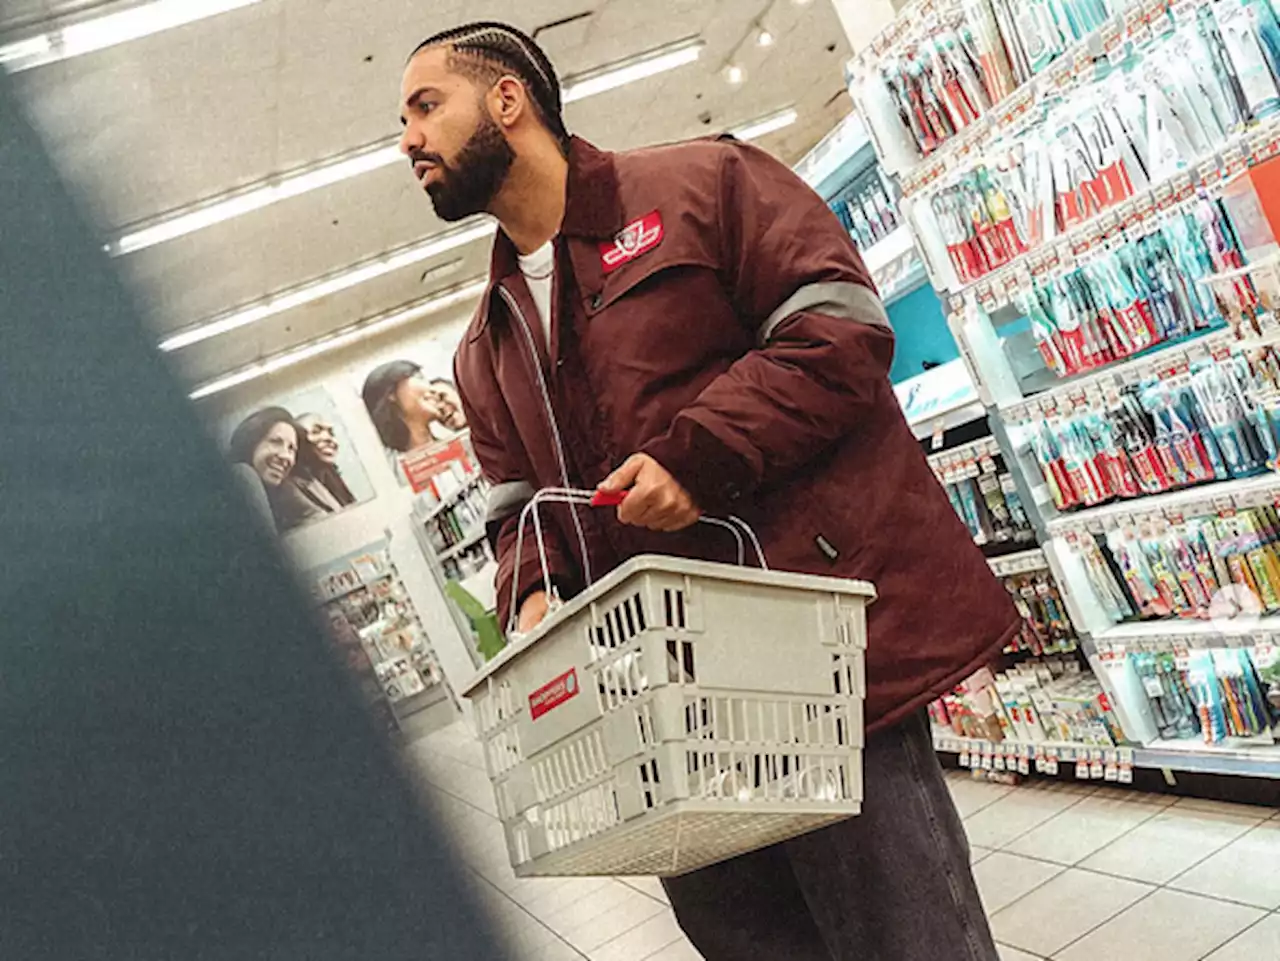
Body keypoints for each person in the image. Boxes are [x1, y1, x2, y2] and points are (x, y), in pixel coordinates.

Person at [397, 21, 1019, 961]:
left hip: (811, 659)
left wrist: (699, 458)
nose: (407, 140)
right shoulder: (487, 344)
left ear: (508, 99)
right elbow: (514, 502)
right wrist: (527, 586)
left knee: (907, 936)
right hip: (670, 719)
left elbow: (839, 328)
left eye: (424, 106)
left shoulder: (702, 188)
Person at [228, 408, 339, 533]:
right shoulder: (241, 480)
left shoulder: (282, 494)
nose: (286, 456)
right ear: (250, 443)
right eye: (275, 442)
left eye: (291, 449)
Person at [361, 360, 457, 453]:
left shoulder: (456, 447)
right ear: (391, 393)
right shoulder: (388, 466)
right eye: (419, 377)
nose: (432, 389)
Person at [295, 412, 358, 507]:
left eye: (331, 433)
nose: (328, 438)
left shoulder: (332, 477)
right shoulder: (295, 488)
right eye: (315, 431)